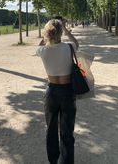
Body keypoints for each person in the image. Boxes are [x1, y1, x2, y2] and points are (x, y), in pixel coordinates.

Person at [36, 18, 79, 164]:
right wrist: (67, 31)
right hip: (68, 92)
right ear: (61, 32)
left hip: (52, 92)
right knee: (67, 132)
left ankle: (53, 161)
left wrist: (46, 36)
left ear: (46, 33)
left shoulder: (42, 50)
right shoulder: (69, 47)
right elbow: (76, 42)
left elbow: (40, 44)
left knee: (51, 130)